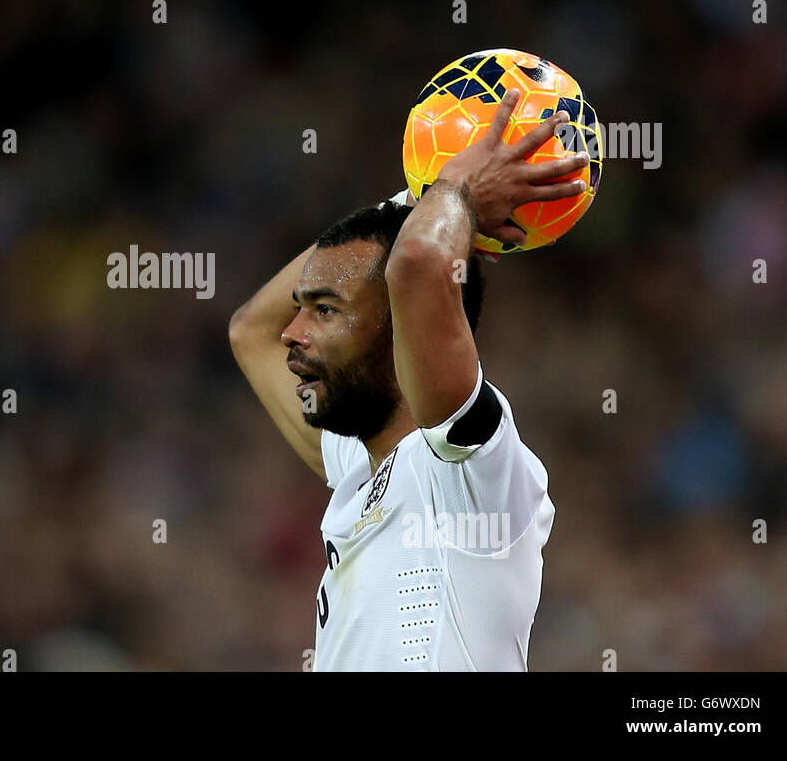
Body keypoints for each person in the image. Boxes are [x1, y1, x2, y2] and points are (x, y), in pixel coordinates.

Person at [228, 89, 589, 670]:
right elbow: (252, 329)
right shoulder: (359, 467)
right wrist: (423, 194)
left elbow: (419, 264)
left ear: (402, 330)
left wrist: (457, 191)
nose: (293, 332)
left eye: (324, 309)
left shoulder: (470, 468)